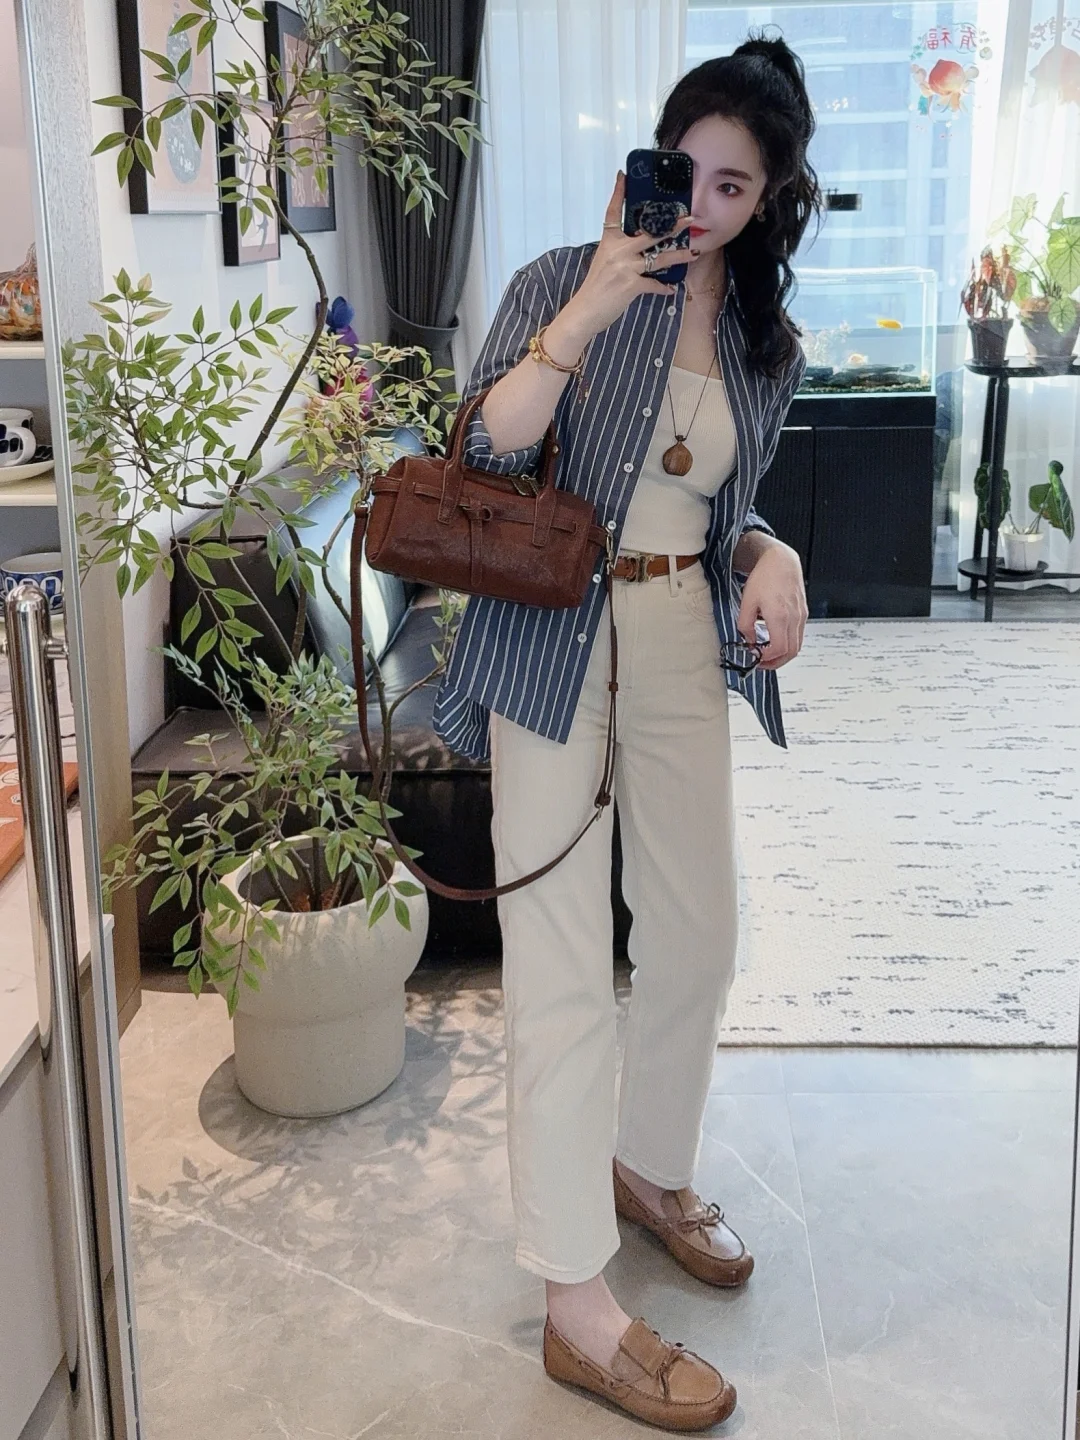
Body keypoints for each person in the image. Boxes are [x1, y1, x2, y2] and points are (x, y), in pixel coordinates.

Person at [432, 31, 821, 1433]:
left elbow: (722, 506)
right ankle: (575, 1305)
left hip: (677, 635)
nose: (700, 207)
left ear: (769, 200)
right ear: (649, 163)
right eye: (686, 171)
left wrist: (772, 551)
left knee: (699, 930)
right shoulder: (562, 277)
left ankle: (649, 1169)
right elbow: (482, 445)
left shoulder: (770, 342)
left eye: (734, 186)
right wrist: (591, 305)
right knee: (554, 961)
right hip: (551, 630)